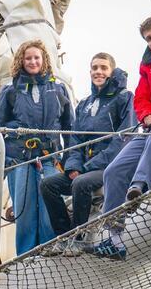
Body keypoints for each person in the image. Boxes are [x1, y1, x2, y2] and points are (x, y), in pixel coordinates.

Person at [86, 13, 151, 259]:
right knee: (113, 171)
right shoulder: (147, 66)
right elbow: (141, 99)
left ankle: (138, 188)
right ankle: (115, 240)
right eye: (148, 37)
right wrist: (147, 116)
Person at [0, 40, 74, 254]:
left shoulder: (58, 89)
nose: (33, 61)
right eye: (28, 58)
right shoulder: (11, 92)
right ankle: (27, 255)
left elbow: (69, 128)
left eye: (37, 57)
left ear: (44, 59)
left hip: (50, 157)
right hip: (20, 159)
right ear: (21, 61)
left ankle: (51, 248)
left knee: (49, 209)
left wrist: (70, 161)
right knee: (24, 211)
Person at [40, 53, 135, 236]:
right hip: (83, 167)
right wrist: (74, 166)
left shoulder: (125, 98)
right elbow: (75, 140)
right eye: (95, 68)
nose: (98, 72)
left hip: (108, 167)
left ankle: (78, 237)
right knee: (47, 184)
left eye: (103, 68)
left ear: (112, 71)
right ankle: (64, 235)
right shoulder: (84, 104)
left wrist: (86, 168)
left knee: (81, 183)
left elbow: (124, 139)